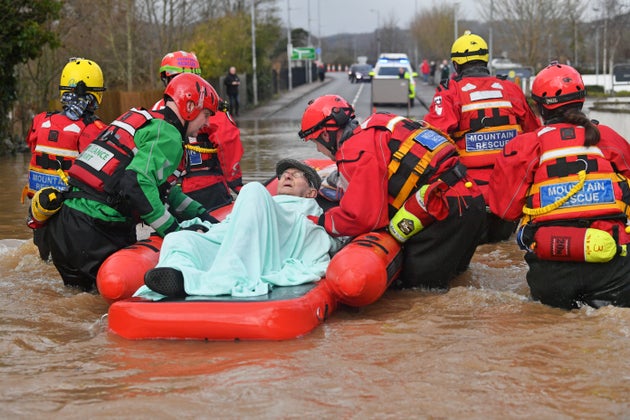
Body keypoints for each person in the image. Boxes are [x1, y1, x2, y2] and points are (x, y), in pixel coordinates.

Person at [43, 73, 220, 291]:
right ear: (190, 106)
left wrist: (203, 216)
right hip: (96, 230)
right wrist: (175, 233)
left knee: (75, 304)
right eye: (206, 114)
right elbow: (136, 184)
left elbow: (164, 191)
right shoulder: (169, 136)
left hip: (65, 224)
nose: (207, 123)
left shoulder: (144, 119)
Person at [298, 94, 486, 290]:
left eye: (315, 142)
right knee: (458, 285)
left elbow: (364, 218)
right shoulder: (380, 124)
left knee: (418, 293)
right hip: (471, 201)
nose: (319, 150)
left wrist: (320, 221)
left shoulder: (353, 150)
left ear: (326, 136)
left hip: (446, 212)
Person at [488, 62, 630, 309]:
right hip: (613, 266)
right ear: (582, 101)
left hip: (552, 268)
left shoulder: (525, 147)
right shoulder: (609, 138)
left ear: (538, 107)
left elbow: (504, 209)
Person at [139, 159, 341, 298]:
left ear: (311, 192)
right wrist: (204, 229)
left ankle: (226, 278)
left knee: (252, 189)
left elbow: (321, 234)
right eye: (284, 175)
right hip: (240, 236)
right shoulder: (261, 202)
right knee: (180, 239)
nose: (287, 177)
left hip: (275, 239)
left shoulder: (307, 210)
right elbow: (233, 225)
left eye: (296, 176)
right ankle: (181, 277)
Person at [423, 31, 541, 243]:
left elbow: (432, 140)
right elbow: (535, 135)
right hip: (511, 192)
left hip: (469, 193)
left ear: (456, 65)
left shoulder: (450, 93)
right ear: (485, 60)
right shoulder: (510, 89)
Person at [23, 57, 107, 261]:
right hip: (72, 216)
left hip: (39, 210)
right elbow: (103, 173)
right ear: (95, 95)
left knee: (45, 262)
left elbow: (33, 147)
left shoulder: (40, 121)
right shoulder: (93, 129)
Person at [154, 51, 244, 210]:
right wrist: (235, 183)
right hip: (209, 186)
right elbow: (227, 140)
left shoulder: (158, 108)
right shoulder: (211, 104)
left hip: (171, 192)